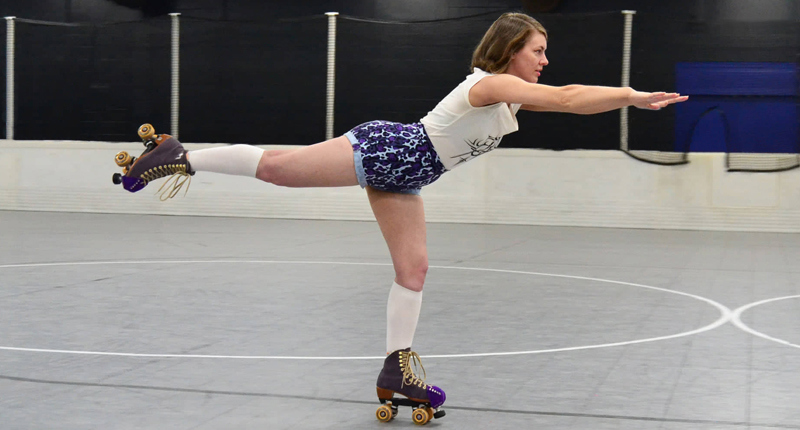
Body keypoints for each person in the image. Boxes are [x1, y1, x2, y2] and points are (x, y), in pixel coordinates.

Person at [117, 12, 687, 420]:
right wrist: (633, 96)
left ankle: (396, 368)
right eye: (537, 49)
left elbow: (566, 92)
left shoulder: (509, 96)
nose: (545, 59)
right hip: (392, 150)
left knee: (414, 270)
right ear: (510, 48)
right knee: (281, 169)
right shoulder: (489, 85)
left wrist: (625, 95)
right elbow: (567, 97)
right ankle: (178, 154)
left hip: (411, 176)